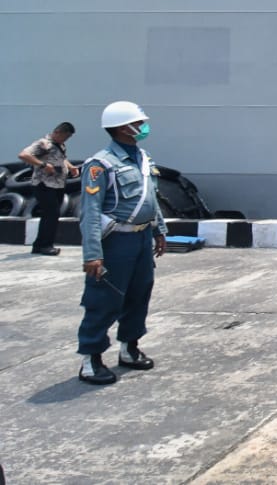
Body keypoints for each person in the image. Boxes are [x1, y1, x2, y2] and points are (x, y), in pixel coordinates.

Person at [76, 101, 168, 385]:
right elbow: (89, 213)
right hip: (115, 241)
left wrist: (159, 230)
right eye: (138, 124)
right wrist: (92, 255)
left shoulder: (142, 158)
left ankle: (129, 347)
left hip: (141, 238)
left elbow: (150, 198)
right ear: (121, 128)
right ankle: (91, 359)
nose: (143, 128)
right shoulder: (100, 164)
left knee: (139, 294)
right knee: (105, 299)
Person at [18, 121, 79, 256]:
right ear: (57, 132)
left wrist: (70, 167)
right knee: (51, 214)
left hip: (57, 184)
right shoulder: (43, 144)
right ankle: (45, 245)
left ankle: (39, 245)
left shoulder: (60, 145)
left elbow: (62, 159)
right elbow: (23, 155)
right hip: (44, 184)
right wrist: (42, 165)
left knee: (51, 215)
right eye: (65, 136)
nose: (66, 139)